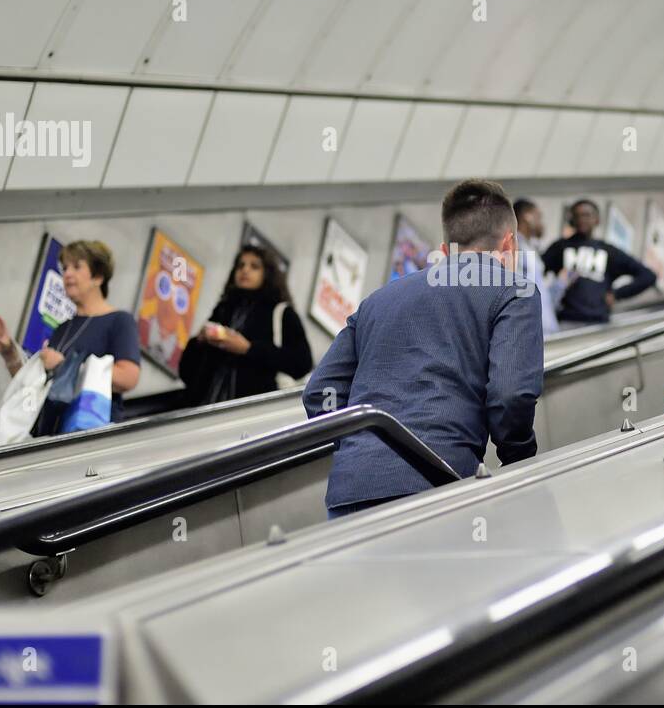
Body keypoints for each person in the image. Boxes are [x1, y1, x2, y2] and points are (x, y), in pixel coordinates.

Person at [303, 180, 543, 520]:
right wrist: (520, 460)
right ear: (510, 244)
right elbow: (510, 395)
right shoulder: (514, 291)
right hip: (438, 482)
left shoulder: (378, 300)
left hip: (350, 491)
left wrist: (361, 445)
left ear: (444, 251)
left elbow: (319, 391)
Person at [0, 240, 141, 435]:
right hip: (49, 433)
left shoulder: (119, 321)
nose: (67, 274)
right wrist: (8, 352)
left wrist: (64, 366)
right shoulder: (63, 328)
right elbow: (36, 382)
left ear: (98, 277)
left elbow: (128, 378)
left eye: (76, 266)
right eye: (65, 268)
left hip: (90, 434)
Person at [178, 244, 313, 404]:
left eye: (254, 266)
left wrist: (248, 349)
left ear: (268, 274)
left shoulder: (281, 313)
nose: (245, 270)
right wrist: (198, 342)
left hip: (251, 411)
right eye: (240, 265)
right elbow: (186, 372)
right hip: (206, 406)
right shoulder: (223, 310)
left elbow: (302, 363)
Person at [540, 199, 657, 324]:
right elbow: (535, 272)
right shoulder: (560, 247)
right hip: (566, 320)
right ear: (571, 220)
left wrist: (617, 294)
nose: (581, 220)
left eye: (586, 215)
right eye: (577, 215)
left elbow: (648, 276)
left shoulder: (608, 251)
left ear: (597, 220)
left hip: (598, 323)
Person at [513, 198, 564, 336]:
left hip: (543, 332)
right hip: (531, 334)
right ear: (527, 217)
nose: (541, 223)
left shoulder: (531, 250)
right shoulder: (515, 248)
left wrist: (561, 283)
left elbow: (540, 296)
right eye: (538, 216)